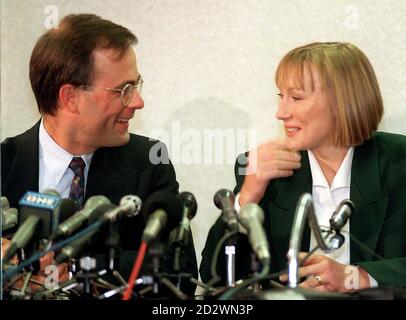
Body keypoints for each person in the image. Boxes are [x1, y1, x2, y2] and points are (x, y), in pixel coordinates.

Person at [1, 13, 197, 297]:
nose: (138, 102)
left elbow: (181, 270)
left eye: (136, 86)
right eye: (123, 90)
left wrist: (73, 269)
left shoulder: (148, 162)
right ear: (70, 97)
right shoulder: (4, 165)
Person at [200, 42, 406, 293]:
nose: (281, 112)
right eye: (281, 97)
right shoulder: (267, 170)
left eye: (296, 97)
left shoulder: (398, 161)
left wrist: (356, 276)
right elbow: (216, 279)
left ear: (342, 101)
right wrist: (247, 197)